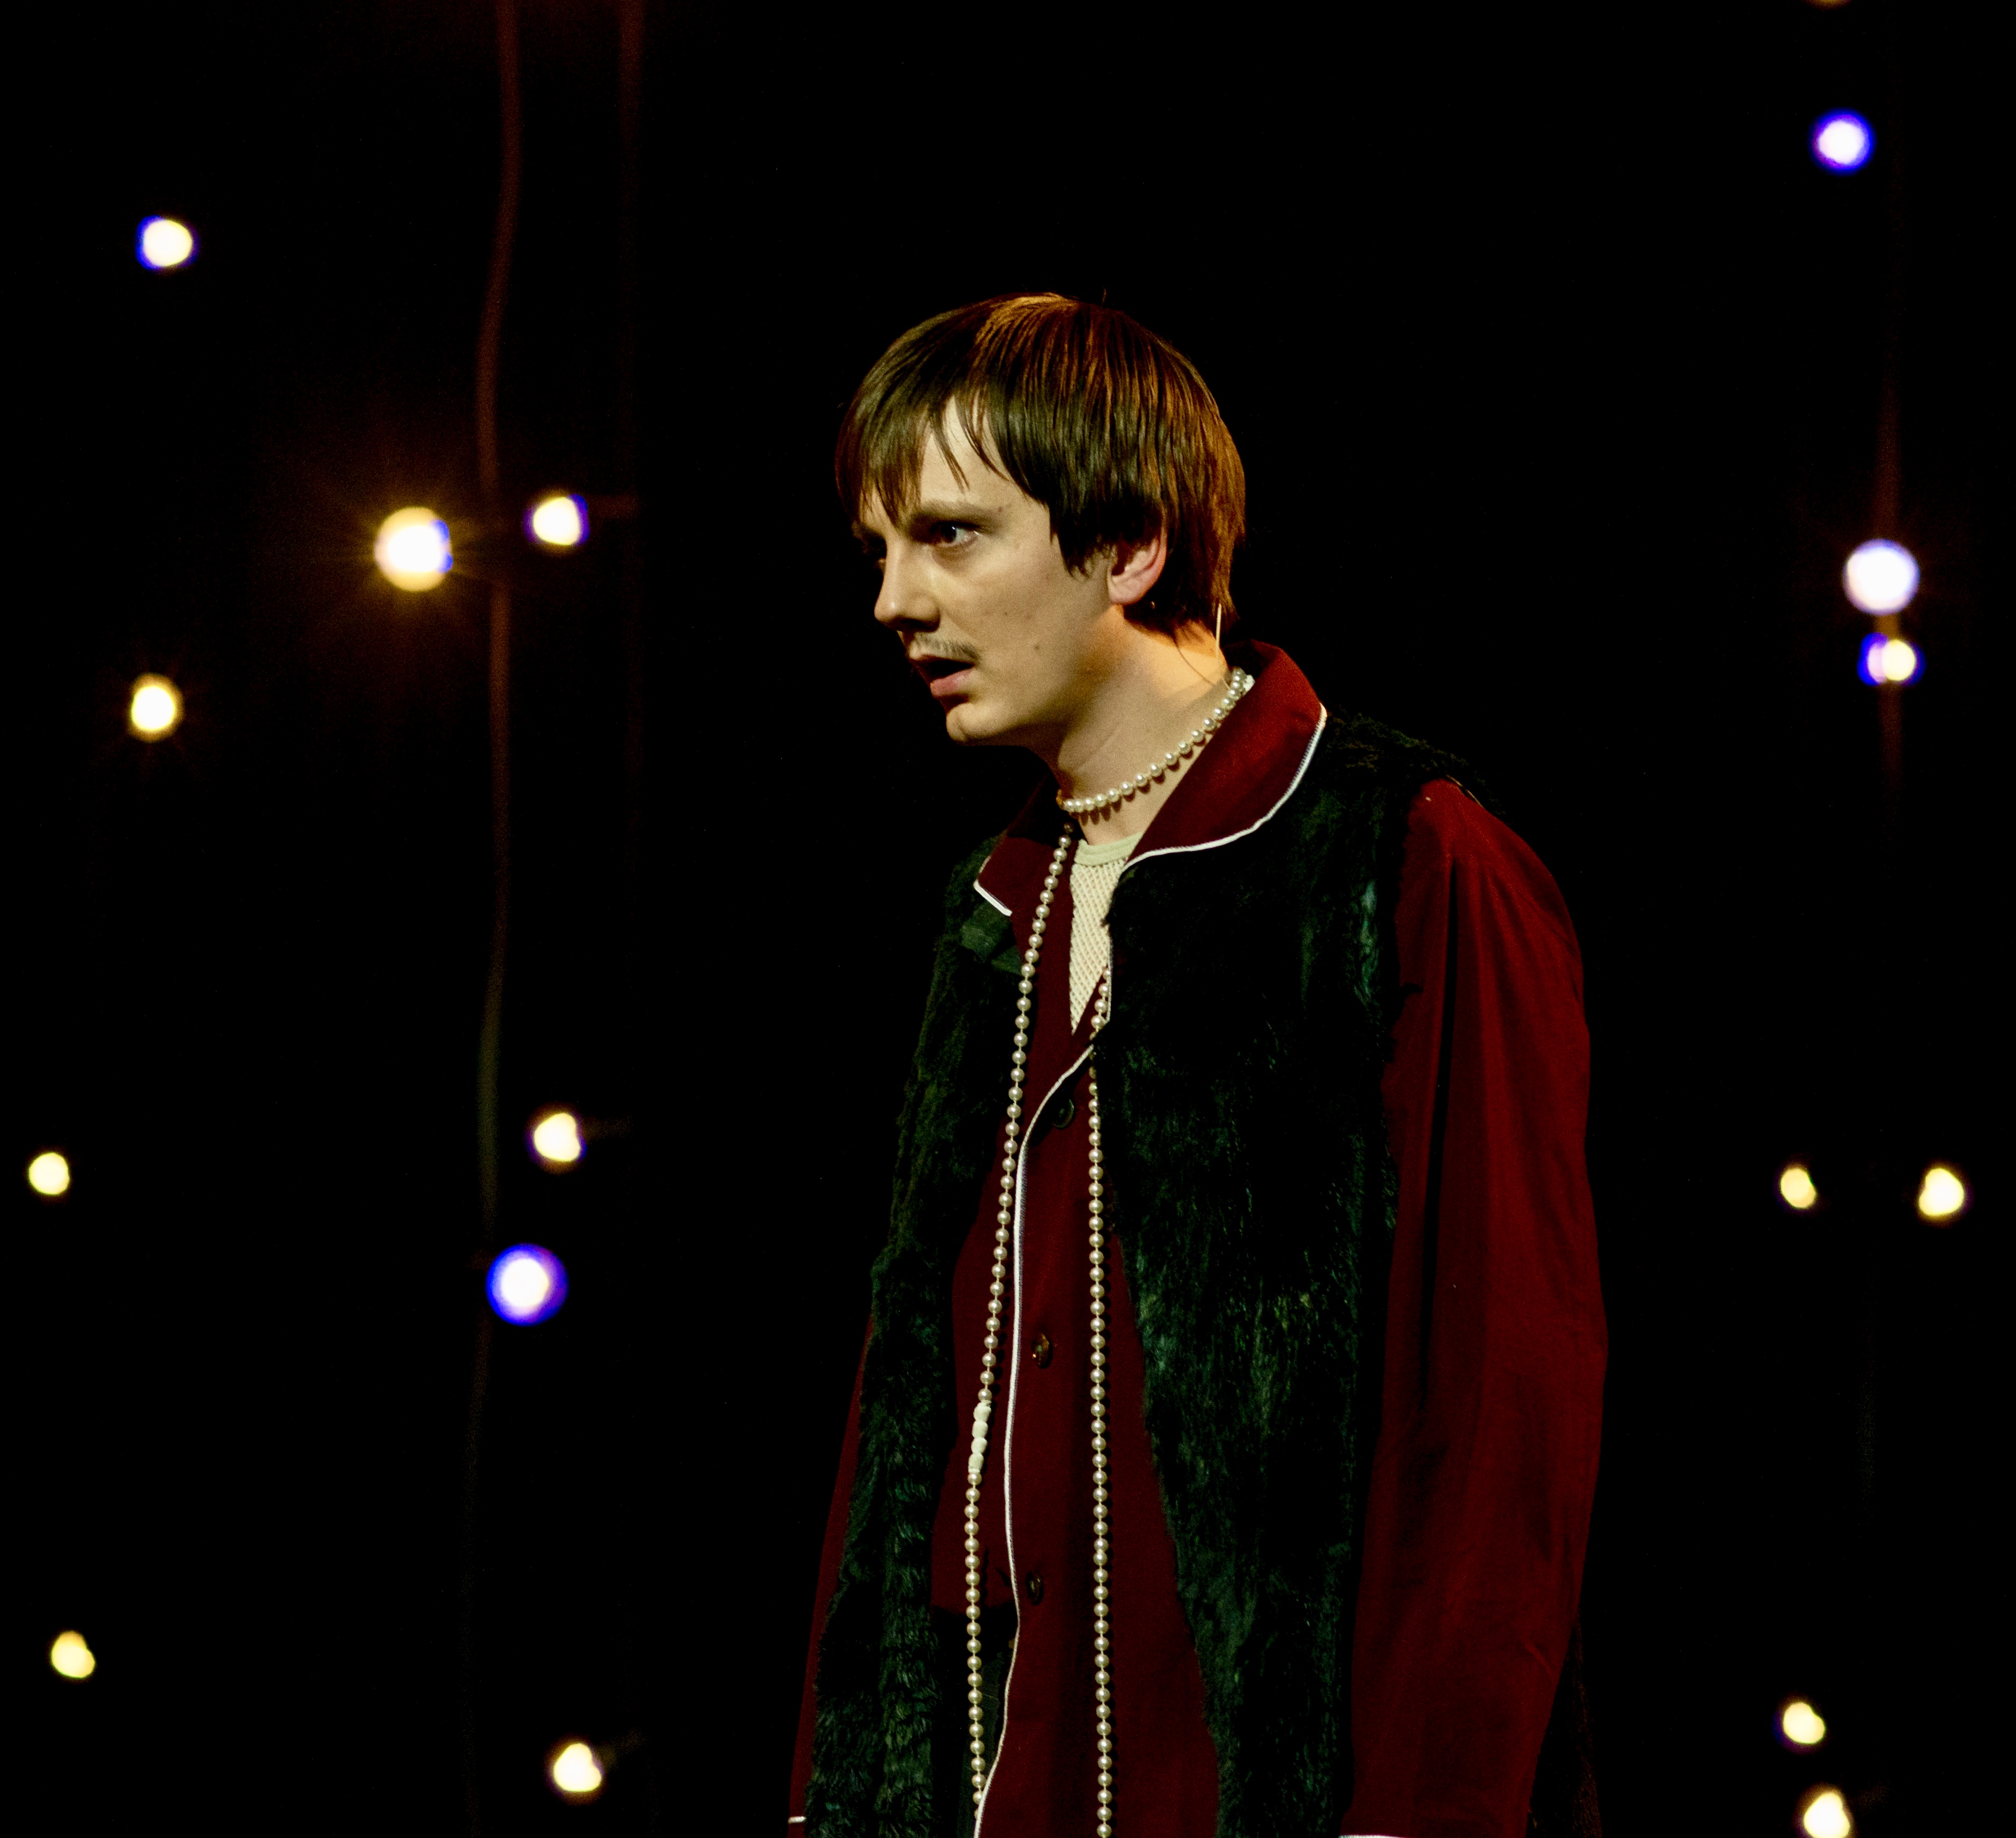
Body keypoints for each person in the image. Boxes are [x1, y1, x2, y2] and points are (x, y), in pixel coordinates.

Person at [787, 294, 1606, 1838]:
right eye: (879, 551)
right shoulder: (999, 909)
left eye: (949, 537)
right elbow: (903, 1435)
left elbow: (1500, 1418)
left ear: (1128, 544)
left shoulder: (1406, 860)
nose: (895, 600)